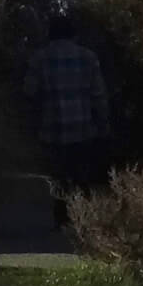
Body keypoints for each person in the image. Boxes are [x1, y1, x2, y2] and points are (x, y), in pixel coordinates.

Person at [22, 13, 114, 194]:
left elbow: (29, 92)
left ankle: (61, 219)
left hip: (51, 132)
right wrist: (104, 125)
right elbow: (99, 95)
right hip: (83, 130)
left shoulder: (39, 58)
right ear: (73, 33)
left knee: (58, 183)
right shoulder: (89, 57)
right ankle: (82, 217)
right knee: (82, 181)